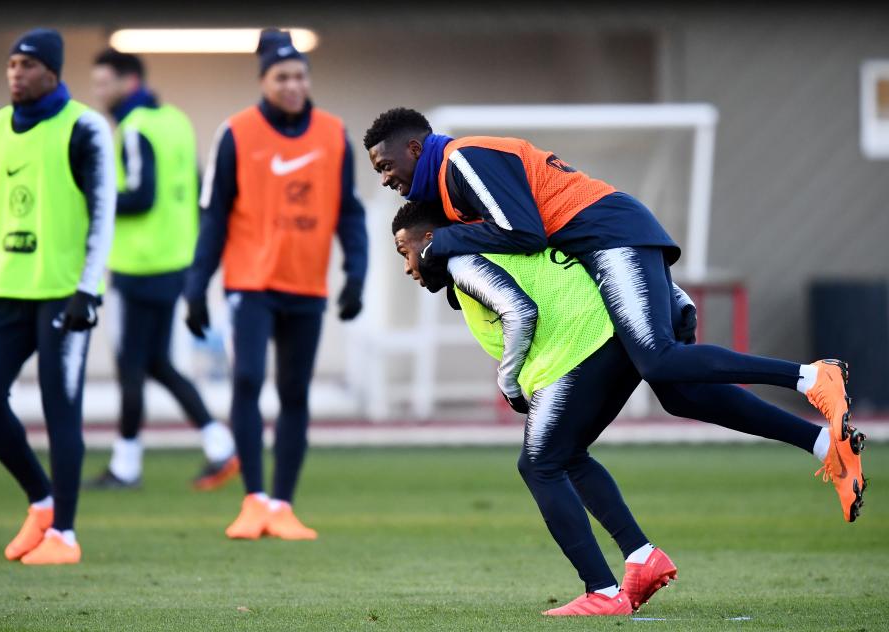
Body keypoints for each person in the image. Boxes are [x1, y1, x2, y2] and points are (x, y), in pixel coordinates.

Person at [364, 108, 867, 523]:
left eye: (386, 166)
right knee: (676, 391)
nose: (386, 179)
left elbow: (526, 234)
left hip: (613, 235)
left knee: (659, 361)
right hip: (602, 250)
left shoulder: (461, 158)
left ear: (415, 148)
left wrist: (444, 241)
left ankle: (810, 376)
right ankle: (825, 445)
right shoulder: (450, 190)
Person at [391, 199, 855, 616]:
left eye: (404, 250)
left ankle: (603, 590)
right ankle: (820, 443)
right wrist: (672, 298)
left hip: (587, 346)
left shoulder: (462, 259)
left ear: (431, 239)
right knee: (667, 398)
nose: (407, 265)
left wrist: (508, 382)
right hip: (608, 331)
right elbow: (589, 255)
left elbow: (519, 310)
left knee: (540, 464)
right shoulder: (509, 235)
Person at [185, 29, 368, 540]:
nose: (292, 85)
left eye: (300, 76)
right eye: (281, 76)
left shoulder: (333, 133)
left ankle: (283, 505)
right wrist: (197, 285)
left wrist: (356, 271)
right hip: (250, 282)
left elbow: (349, 212)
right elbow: (214, 215)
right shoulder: (237, 133)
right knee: (246, 382)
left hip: (306, 285)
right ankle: (253, 500)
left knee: (294, 392)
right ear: (263, 80)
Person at [0, 28, 116, 565]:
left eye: (27, 65)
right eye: (11, 64)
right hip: (6, 289)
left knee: (60, 409)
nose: (16, 73)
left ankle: (65, 536)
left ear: (52, 72)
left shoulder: (85, 127)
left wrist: (87, 288)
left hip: (64, 294)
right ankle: (41, 500)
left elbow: (104, 211)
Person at [86, 48, 237, 490]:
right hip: (174, 263)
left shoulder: (133, 128)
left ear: (129, 82)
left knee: (131, 364)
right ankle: (220, 446)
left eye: (103, 83)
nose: (98, 93)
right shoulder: (175, 121)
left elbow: (142, 195)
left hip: (139, 267)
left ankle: (126, 467)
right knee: (155, 362)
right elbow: (196, 188)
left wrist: (93, 197)